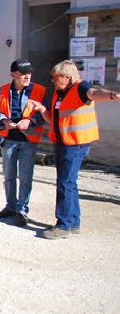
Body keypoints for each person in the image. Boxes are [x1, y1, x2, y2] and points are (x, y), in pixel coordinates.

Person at [28, 60, 120, 239]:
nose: (53, 81)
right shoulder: (59, 93)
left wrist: (112, 95)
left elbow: (94, 93)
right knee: (70, 182)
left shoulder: (80, 87)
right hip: (64, 141)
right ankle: (74, 222)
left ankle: (63, 225)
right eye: (53, 78)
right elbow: (53, 120)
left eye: (56, 78)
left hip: (75, 143)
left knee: (65, 183)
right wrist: (41, 109)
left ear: (67, 77)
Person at [0, 59, 46, 227]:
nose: (27, 76)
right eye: (23, 73)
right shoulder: (2, 91)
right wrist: (4, 120)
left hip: (28, 140)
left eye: (29, 73)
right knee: (9, 176)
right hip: (8, 139)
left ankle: (22, 210)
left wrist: (31, 121)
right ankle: (10, 207)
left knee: (26, 177)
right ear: (13, 75)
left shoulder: (40, 90)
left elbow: (46, 113)